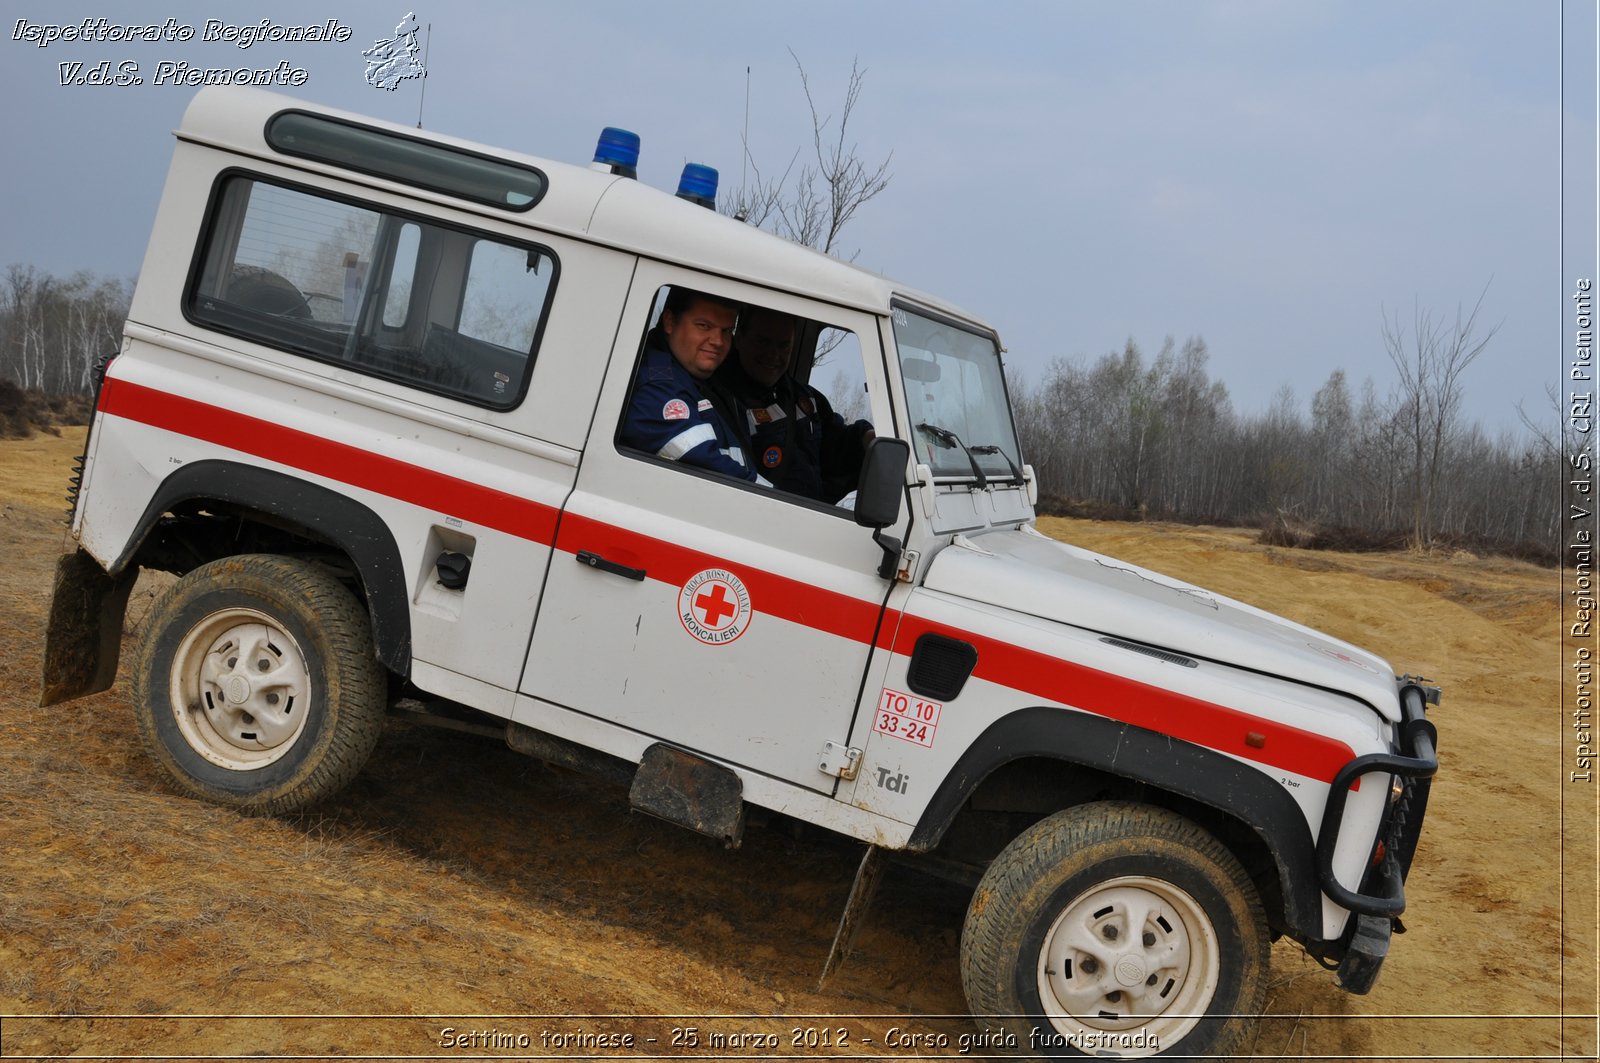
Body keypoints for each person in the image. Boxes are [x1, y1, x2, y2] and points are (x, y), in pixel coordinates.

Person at [715, 306, 873, 504]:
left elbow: (835, 444)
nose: (773, 354)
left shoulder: (806, 398)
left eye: (783, 346)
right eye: (763, 342)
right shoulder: (722, 399)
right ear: (739, 338)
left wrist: (866, 439)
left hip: (812, 517)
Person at [620, 288, 771, 486]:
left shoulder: (704, 379)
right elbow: (706, 462)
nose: (718, 341)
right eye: (704, 326)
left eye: (726, 331)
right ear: (670, 322)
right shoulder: (655, 387)